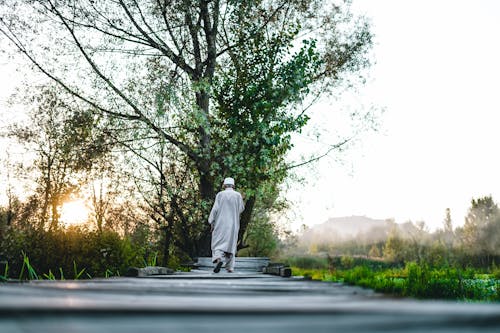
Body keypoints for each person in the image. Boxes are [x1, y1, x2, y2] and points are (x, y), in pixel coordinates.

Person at [208, 177, 245, 273]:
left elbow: (215, 209)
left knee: (217, 243)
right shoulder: (238, 195)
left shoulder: (220, 195)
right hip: (233, 224)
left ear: (224, 185)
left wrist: (211, 221)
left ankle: (219, 258)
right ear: (233, 185)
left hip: (220, 223)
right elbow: (241, 208)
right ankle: (230, 267)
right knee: (231, 245)